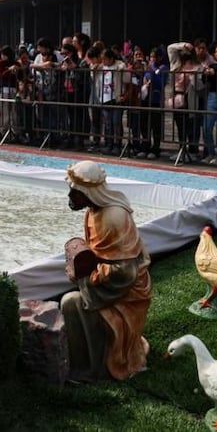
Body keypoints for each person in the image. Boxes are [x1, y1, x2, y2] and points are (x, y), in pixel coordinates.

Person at [60, 160, 153, 382]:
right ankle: (86, 362)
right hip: (109, 286)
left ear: (88, 192)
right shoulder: (93, 211)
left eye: (74, 192)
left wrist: (85, 278)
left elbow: (126, 272)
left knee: (71, 303)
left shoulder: (113, 218)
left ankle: (95, 370)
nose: (69, 196)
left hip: (126, 296)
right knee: (72, 302)